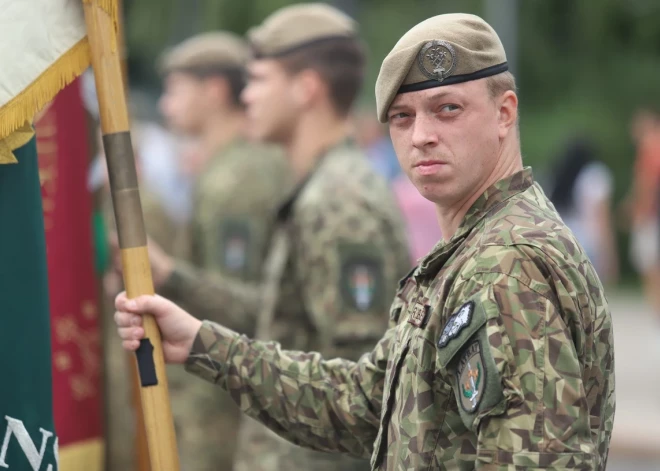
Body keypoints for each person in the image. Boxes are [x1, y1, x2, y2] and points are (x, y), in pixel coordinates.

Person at [114, 13, 615, 470]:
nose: (421, 135)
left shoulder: (505, 263)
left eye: (447, 109)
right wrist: (205, 344)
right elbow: (365, 402)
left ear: (504, 114)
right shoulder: (472, 248)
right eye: (402, 117)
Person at [143, 4, 410, 471]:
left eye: (261, 80)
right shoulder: (318, 188)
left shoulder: (340, 202)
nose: (247, 97)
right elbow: (280, 319)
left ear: (306, 89)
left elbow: (364, 392)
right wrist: (176, 284)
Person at [144, 32, 292, 470]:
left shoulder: (238, 179)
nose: (167, 104)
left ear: (214, 91)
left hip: (225, 402)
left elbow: (242, 301)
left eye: (177, 89)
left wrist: (169, 273)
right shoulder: (225, 166)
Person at [548, 136, 618, 285]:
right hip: (588, 244)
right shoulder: (594, 175)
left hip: (561, 242)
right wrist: (609, 255)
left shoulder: (555, 175)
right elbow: (602, 219)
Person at [624, 109, 660, 317]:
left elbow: (647, 184)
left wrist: (642, 211)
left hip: (651, 215)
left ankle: (656, 308)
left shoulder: (650, 147)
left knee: (649, 263)